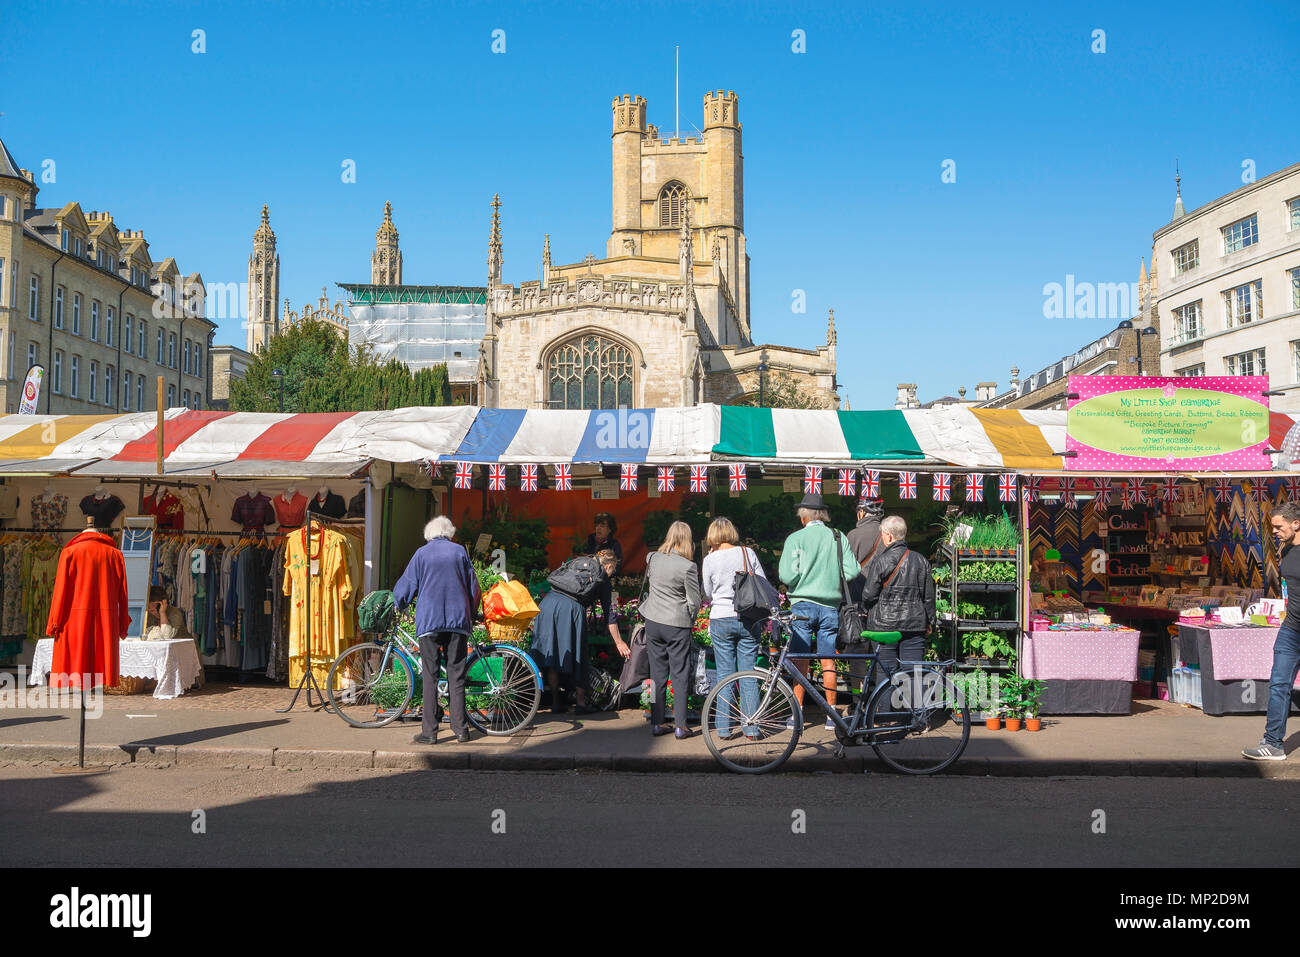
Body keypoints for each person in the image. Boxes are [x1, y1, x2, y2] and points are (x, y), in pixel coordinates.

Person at [393, 516, 481, 745]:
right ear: (449, 533)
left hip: (429, 622)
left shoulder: (421, 554)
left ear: (428, 534)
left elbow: (406, 586)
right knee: (456, 675)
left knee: (430, 676)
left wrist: (400, 602)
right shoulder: (459, 552)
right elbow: (474, 587)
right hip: (456, 622)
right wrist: (470, 614)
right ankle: (461, 730)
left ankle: (430, 732)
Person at [778, 494, 861, 728]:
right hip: (829, 607)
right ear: (822, 515)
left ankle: (797, 715)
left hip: (802, 606)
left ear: (804, 517)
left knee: (800, 662)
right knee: (828, 662)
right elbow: (852, 571)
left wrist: (802, 577)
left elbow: (787, 575)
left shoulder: (795, 539)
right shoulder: (837, 537)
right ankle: (831, 715)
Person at [531, 549, 629, 713]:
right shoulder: (602, 577)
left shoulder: (577, 563)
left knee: (551, 653)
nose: (612, 574)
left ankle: (556, 702)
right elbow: (608, 614)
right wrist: (619, 642)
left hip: (548, 604)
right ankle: (581, 704)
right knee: (579, 656)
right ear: (609, 565)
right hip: (571, 609)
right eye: (613, 570)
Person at [1243, 503, 1300, 760]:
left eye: (1279, 526)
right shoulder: (1286, 549)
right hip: (1291, 629)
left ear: (1295, 523)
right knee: (1279, 684)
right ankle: (1273, 743)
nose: (1275, 531)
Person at [701, 517, 765, 739]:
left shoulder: (710, 560)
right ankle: (751, 727)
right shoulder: (747, 553)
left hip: (720, 617)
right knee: (748, 674)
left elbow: (707, 593)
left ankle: (724, 729)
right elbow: (762, 583)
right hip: (748, 618)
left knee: (724, 675)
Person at [641, 521, 702, 738]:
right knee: (679, 674)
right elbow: (694, 601)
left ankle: (657, 723)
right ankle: (680, 725)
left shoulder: (652, 558)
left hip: (653, 621)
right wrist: (691, 618)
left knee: (656, 675)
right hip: (677, 623)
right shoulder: (688, 567)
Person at [859, 515, 936, 685]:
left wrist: (867, 609)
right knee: (913, 676)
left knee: (886, 676)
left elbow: (869, 595)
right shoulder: (921, 560)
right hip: (915, 626)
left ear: (889, 536)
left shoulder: (880, 561)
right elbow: (928, 597)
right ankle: (913, 712)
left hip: (884, 627)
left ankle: (886, 712)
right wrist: (930, 621)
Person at [145, 585, 204, 687]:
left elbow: (167, 636)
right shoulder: (149, 614)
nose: (151, 609)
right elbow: (146, 633)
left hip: (182, 648)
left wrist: (162, 613)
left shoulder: (174, 613)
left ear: (163, 603)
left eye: (154, 606)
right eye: (149, 606)